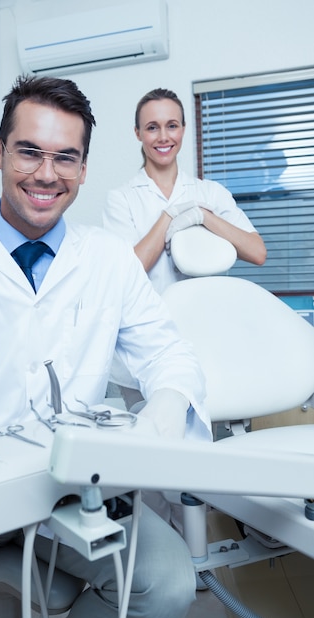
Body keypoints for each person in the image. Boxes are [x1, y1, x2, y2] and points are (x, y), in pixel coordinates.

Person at [0, 75, 212, 618]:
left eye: (66, 158)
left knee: (168, 583)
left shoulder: (109, 260)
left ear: (84, 169)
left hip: (69, 496)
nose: (47, 174)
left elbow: (170, 354)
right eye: (29, 152)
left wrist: (160, 413)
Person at [103, 87, 267, 410]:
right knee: (158, 440)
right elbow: (129, 271)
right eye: (152, 127)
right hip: (145, 350)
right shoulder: (122, 199)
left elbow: (257, 251)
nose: (163, 136)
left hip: (208, 338)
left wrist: (203, 216)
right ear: (138, 133)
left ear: (183, 129)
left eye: (172, 125)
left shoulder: (210, 193)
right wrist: (169, 217)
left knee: (214, 433)